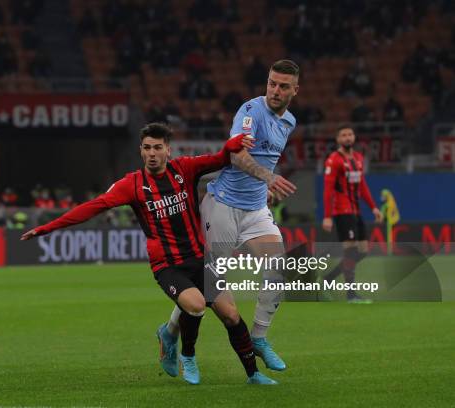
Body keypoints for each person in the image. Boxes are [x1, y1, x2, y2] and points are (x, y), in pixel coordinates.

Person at [21, 123, 277, 385]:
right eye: (146, 148)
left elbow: (219, 160)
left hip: (200, 259)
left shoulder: (184, 169)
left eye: (157, 147)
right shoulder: (131, 185)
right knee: (196, 305)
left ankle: (253, 374)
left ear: (168, 149)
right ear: (140, 151)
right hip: (169, 266)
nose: (152, 153)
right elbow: (92, 207)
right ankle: (187, 356)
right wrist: (47, 227)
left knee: (231, 315)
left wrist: (228, 149)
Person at [160, 59, 299, 373]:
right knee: (208, 286)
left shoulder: (289, 121)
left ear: (295, 90)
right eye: (272, 83)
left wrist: (264, 186)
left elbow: (267, 158)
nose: (276, 91)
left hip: (255, 210)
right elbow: (236, 155)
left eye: (283, 86)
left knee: (278, 268)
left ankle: (260, 337)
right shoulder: (250, 112)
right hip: (222, 206)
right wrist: (267, 178)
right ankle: (169, 333)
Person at [322, 125, 384, 302]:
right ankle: (351, 295)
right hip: (342, 211)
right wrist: (327, 215)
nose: (347, 138)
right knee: (350, 250)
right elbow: (328, 190)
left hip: (356, 211)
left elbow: (362, 185)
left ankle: (328, 279)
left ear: (354, 137)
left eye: (350, 134)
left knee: (363, 251)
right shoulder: (334, 160)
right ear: (338, 139)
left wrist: (373, 207)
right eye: (343, 135)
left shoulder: (358, 158)